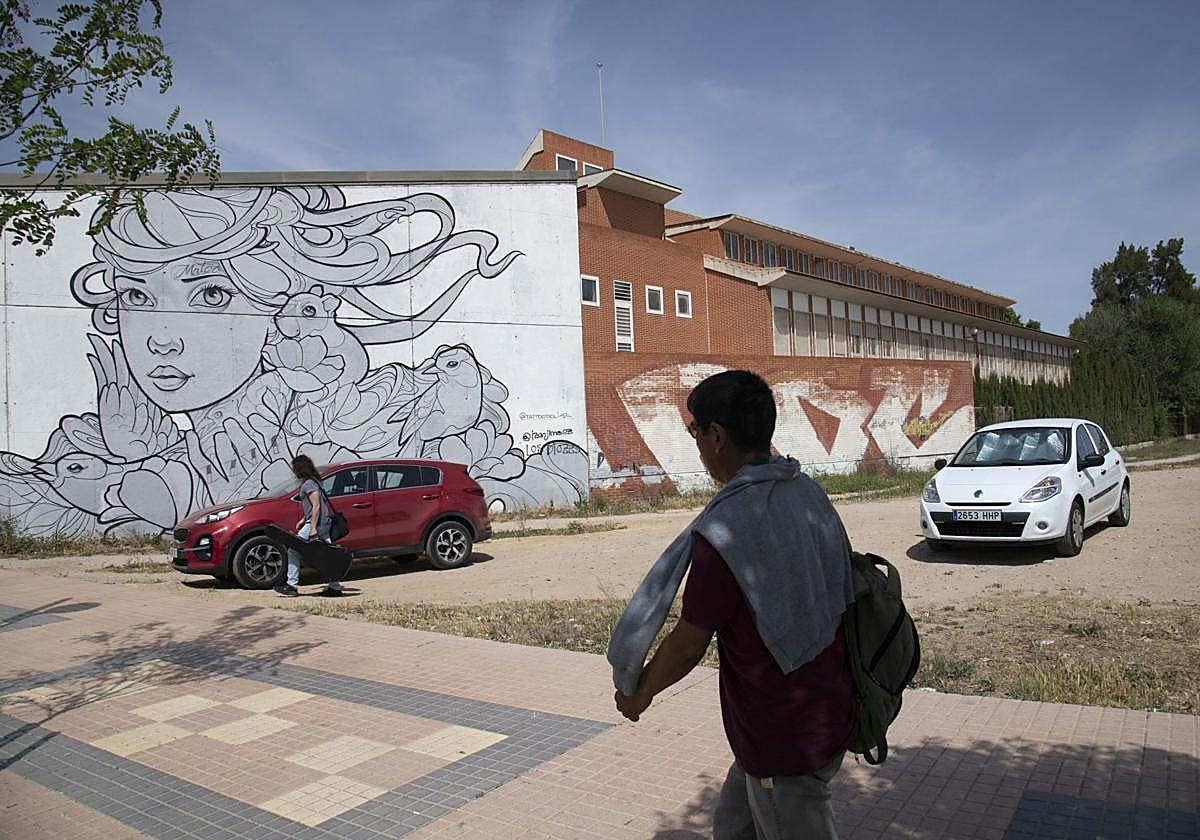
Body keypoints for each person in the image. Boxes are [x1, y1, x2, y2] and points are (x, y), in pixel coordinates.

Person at [607, 370, 858, 840]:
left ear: (716, 435)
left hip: (782, 739)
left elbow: (689, 639)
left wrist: (640, 691)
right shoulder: (805, 490)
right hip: (824, 705)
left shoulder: (728, 530)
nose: (696, 444)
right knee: (734, 825)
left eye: (694, 431)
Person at [274, 454, 342, 597]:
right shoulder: (315, 481)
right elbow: (314, 506)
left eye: (294, 468)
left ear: (299, 469)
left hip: (316, 524)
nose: (293, 472)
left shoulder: (309, 484)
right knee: (328, 555)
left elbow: (316, 506)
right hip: (321, 523)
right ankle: (335, 587)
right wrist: (304, 519)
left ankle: (291, 585)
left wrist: (312, 527)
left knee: (293, 549)